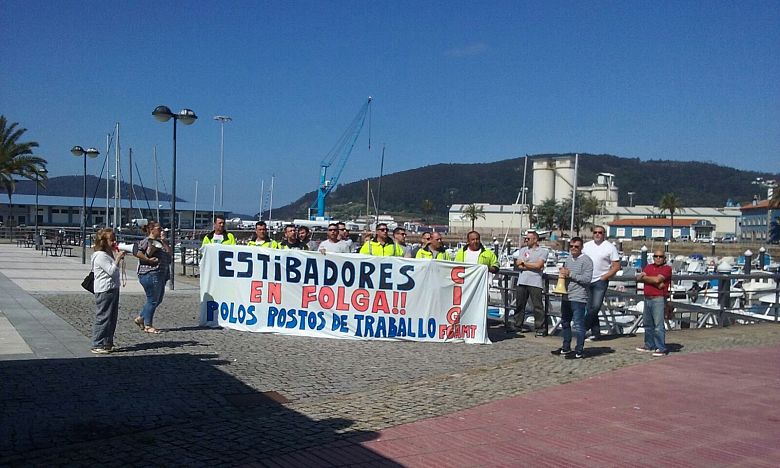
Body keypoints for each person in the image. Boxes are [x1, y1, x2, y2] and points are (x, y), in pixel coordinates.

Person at [552, 237, 593, 359]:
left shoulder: (587, 261)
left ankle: (579, 350)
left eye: (576, 246)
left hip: (578, 297)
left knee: (578, 325)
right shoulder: (568, 259)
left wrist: (570, 274)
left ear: (581, 247)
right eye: (571, 246)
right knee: (565, 322)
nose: (573, 248)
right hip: (566, 296)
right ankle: (566, 347)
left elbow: (587, 279)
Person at [90, 228, 127, 354]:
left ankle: (107, 342)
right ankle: (98, 343)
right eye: (111, 240)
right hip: (105, 289)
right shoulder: (100, 256)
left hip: (112, 288)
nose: (114, 242)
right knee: (103, 317)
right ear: (104, 241)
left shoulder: (107, 254)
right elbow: (111, 271)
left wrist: (116, 257)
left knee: (112, 317)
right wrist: (117, 259)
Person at [582, 225, 621, 341]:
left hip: (600, 281)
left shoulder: (610, 247)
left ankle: (583, 328)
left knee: (596, 307)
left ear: (604, 234)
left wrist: (605, 277)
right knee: (589, 307)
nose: (597, 234)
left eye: (600, 232)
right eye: (595, 232)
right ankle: (596, 333)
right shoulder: (586, 246)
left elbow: (616, 266)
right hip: (587, 280)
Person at [133, 221, 172, 334]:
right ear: (151, 230)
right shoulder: (147, 241)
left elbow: (169, 254)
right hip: (151, 273)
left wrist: (164, 241)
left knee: (157, 299)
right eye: (159, 229)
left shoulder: (160, 242)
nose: (161, 231)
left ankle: (141, 318)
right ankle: (148, 325)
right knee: (153, 299)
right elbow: (138, 252)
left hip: (160, 274)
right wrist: (148, 259)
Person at [636, 249, 672, 357]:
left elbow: (657, 280)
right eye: (656, 256)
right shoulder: (648, 267)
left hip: (658, 299)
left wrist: (646, 278)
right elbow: (638, 277)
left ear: (664, 258)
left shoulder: (667, 269)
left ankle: (661, 348)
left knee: (658, 325)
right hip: (647, 298)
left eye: (660, 256)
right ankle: (649, 345)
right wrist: (655, 282)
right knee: (648, 324)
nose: (658, 258)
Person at [512, 231, 548, 336]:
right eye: (525, 238)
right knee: (520, 304)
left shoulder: (543, 251)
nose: (526, 240)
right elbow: (518, 265)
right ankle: (517, 325)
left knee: (537, 306)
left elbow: (539, 265)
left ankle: (540, 328)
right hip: (522, 281)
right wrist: (532, 265)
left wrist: (524, 263)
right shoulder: (523, 250)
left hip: (535, 282)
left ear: (535, 240)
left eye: (528, 239)